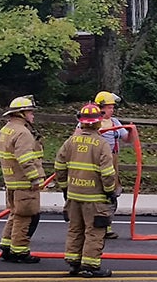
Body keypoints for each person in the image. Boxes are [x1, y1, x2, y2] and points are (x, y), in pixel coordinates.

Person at [55, 103, 119, 278]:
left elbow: (59, 166)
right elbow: (107, 173)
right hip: (95, 198)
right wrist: (109, 192)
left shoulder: (70, 141)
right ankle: (90, 266)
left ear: (81, 122)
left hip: (74, 196)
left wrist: (65, 188)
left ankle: (74, 264)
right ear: (98, 122)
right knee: (94, 231)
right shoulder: (101, 144)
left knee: (75, 229)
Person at [0, 95, 45, 264]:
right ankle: (20, 251)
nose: (33, 115)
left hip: (11, 182)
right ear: (22, 113)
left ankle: (7, 246)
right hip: (25, 184)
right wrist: (35, 179)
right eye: (30, 111)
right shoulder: (23, 133)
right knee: (26, 217)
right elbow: (25, 159)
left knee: (15, 215)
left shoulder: (6, 130)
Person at [93, 91, 132, 239]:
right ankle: (93, 224)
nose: (112, 110)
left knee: (111, 194)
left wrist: (131, 131)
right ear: (101, 107)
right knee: (96, 194)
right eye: (109, 107)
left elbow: (127, 139)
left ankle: (107, 225)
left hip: (111, 162)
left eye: (112, 107)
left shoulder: (115, 122)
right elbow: (78, 136)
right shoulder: (90, 121)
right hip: (95, 161)